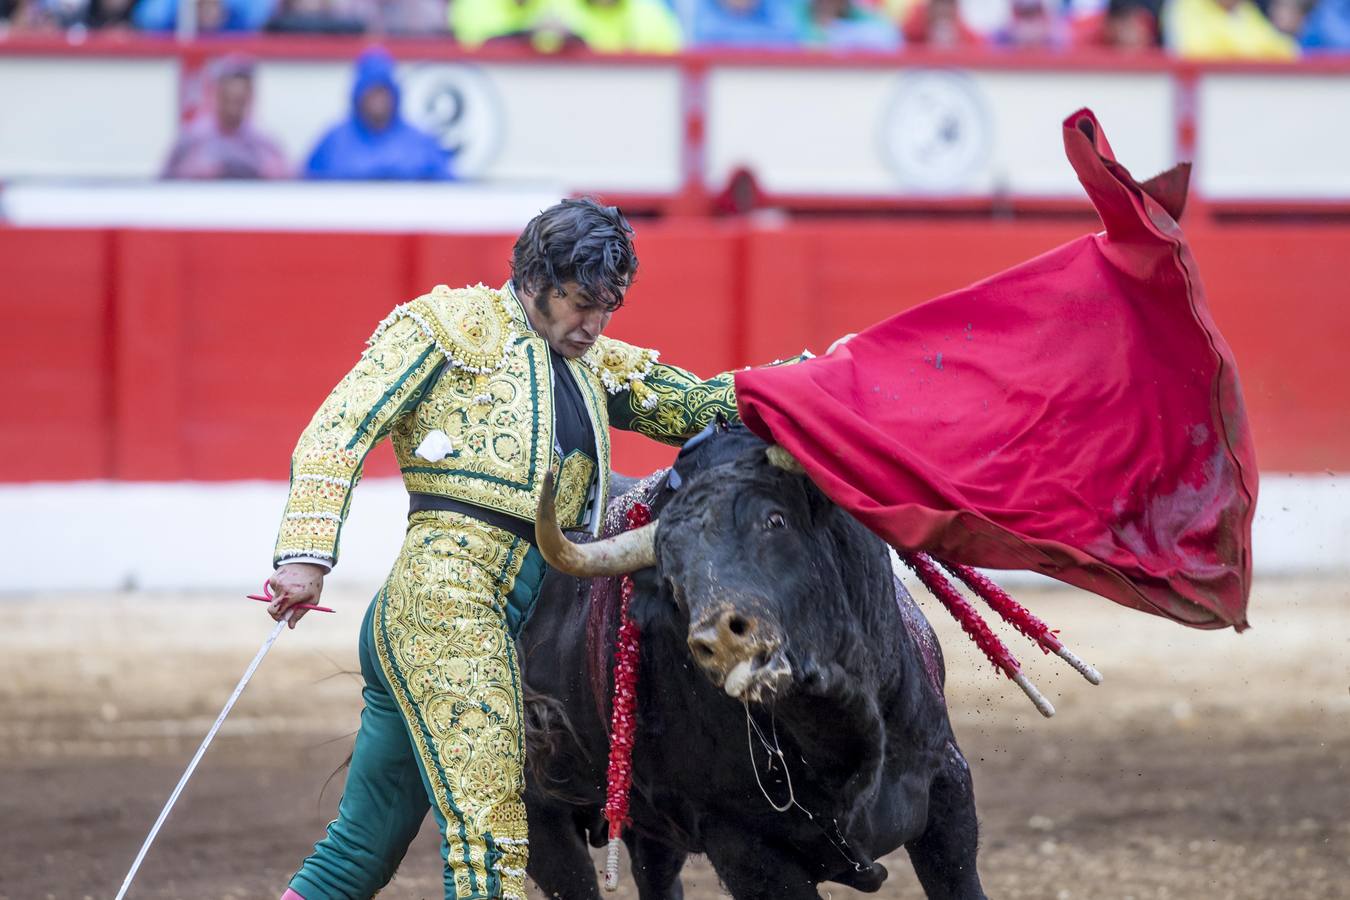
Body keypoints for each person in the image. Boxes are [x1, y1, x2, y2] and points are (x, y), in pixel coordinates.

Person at [266, 199, 807, 900]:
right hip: (445, 604)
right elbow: (339, 426)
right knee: (489, 840)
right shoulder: (447, 327)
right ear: (535, 279)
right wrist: (304, 553)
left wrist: (810, 383)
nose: (594, 325)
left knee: (357, 855)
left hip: (497, 616)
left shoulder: (593, 363)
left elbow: (702, 406)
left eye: (607, 308)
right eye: (581, 304)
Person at [304, 47, 451, 181]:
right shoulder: (333, 143)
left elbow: (450, 190)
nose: (378, 101)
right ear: (357, 95)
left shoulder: (421, 143)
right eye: (371, 93)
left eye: (383, 92)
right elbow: (305, 188)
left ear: (395, 95)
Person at [163, 55, 290, 180]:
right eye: (227, 99)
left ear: (250, 97)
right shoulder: (193, 139)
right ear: (215, 95)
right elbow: (164, 182)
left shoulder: (265, 143)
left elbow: (290, 182)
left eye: (239, 101)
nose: (233, 108)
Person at [1163, 0, 1299, 57]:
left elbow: (1287, 50)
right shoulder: (1185, 5)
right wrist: (1254, 50)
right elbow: (1196, 49)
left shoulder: (1245, 9)